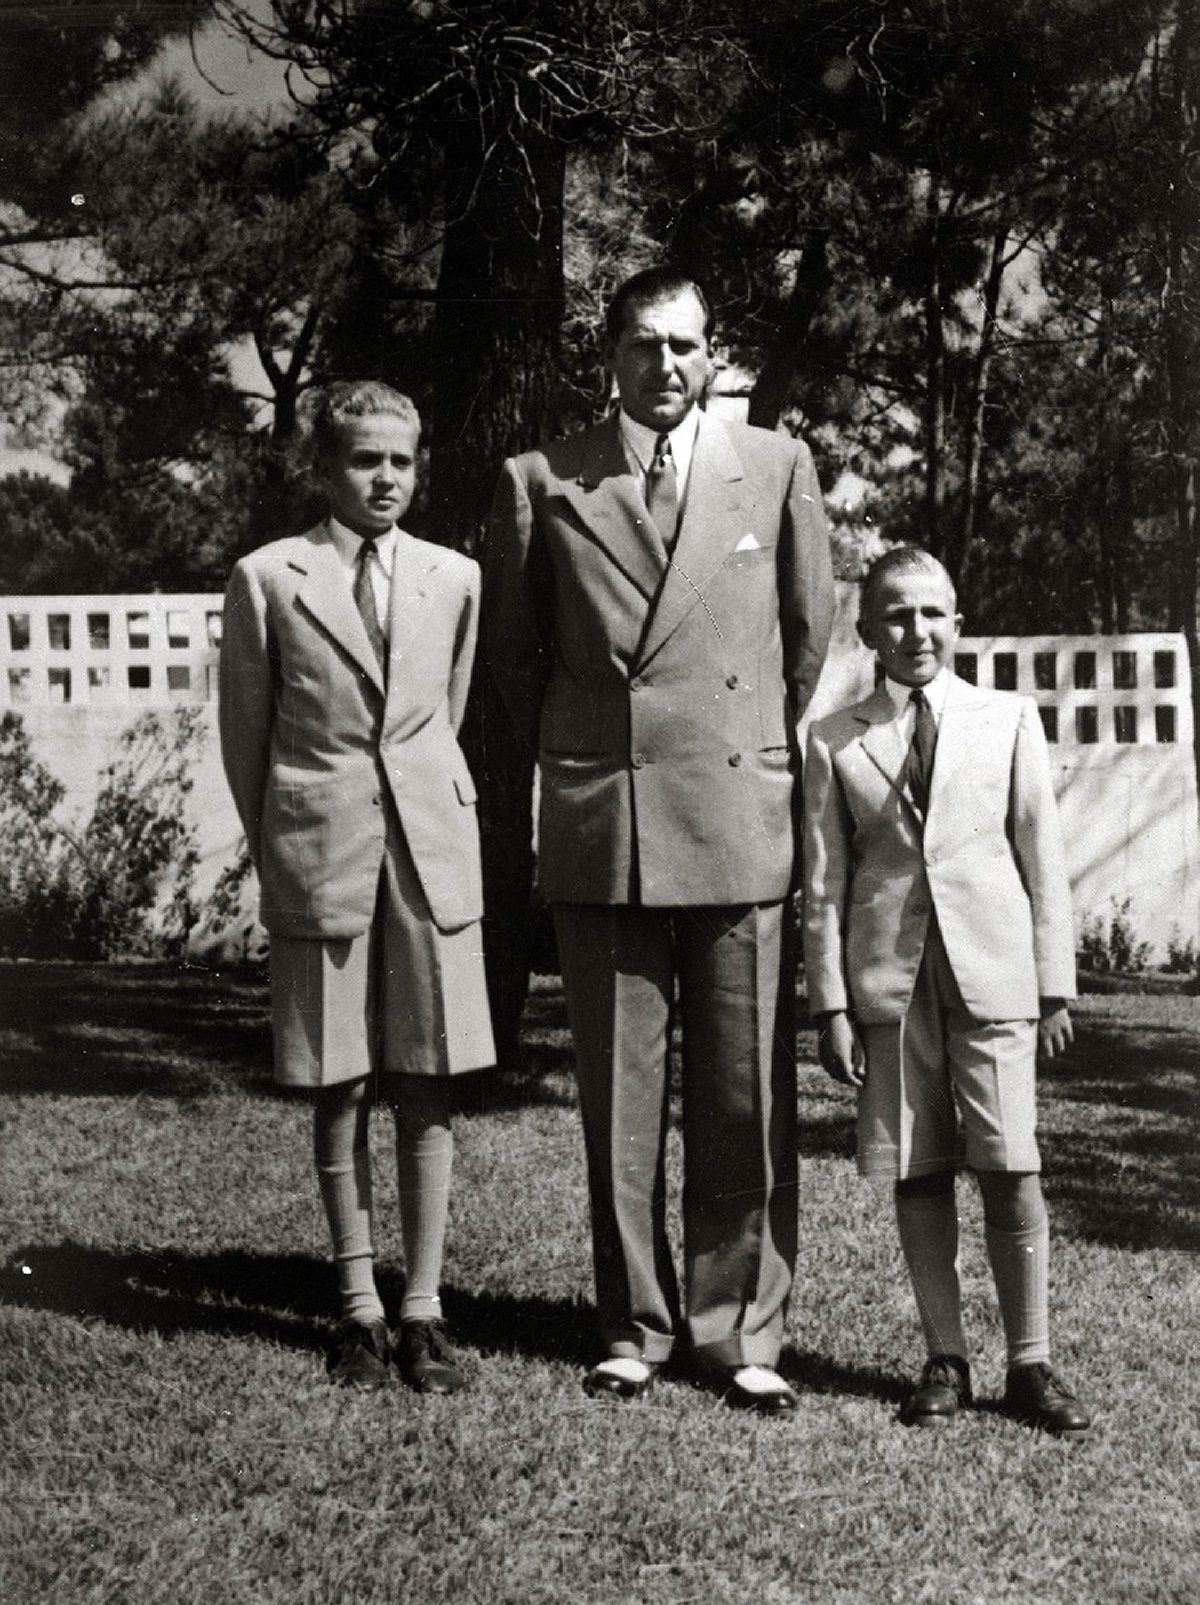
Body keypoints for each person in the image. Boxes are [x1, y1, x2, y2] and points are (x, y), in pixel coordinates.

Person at [485, 267, 835, 1414]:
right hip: (610, 819)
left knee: (744, 1092)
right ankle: (631, 1323)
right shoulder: (544, 478)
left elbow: (804, 641)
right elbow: (515, 659)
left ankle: (738, 1331)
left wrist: (744, 746)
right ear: (612, 353)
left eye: (686, 346)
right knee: (619, 1096)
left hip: (737, 814)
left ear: (714, 351)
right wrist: (589, 752)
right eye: (645, 346)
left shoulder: (776, 467)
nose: (667, 367)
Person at [218, 380, 494, 1395]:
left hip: (428, 854)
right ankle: (356, 1305)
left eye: (403, 462)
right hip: (321, 850)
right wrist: (289, 843)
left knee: (427, 1075)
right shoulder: (267, 578)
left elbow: (441, 721)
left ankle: (422, 1308)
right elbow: (246, 740)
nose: (386, 479)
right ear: (323, 469)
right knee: (340, 1080)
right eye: (365, 460)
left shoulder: (454, 577)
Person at [802, 546, 1091, 1436]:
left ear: (957, 623)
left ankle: (1031, 1362)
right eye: (896, 615)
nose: (916, 630)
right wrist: (831, 1005)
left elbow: (1041, 854)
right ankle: (945, 1354)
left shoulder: (1005, 718)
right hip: (891, 981)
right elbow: (823, 881)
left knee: (1011, 1164)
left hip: (993, 971)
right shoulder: (837, 737)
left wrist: (1053, 985)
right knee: (918, 1167)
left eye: (933, 613)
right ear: (868, 632)